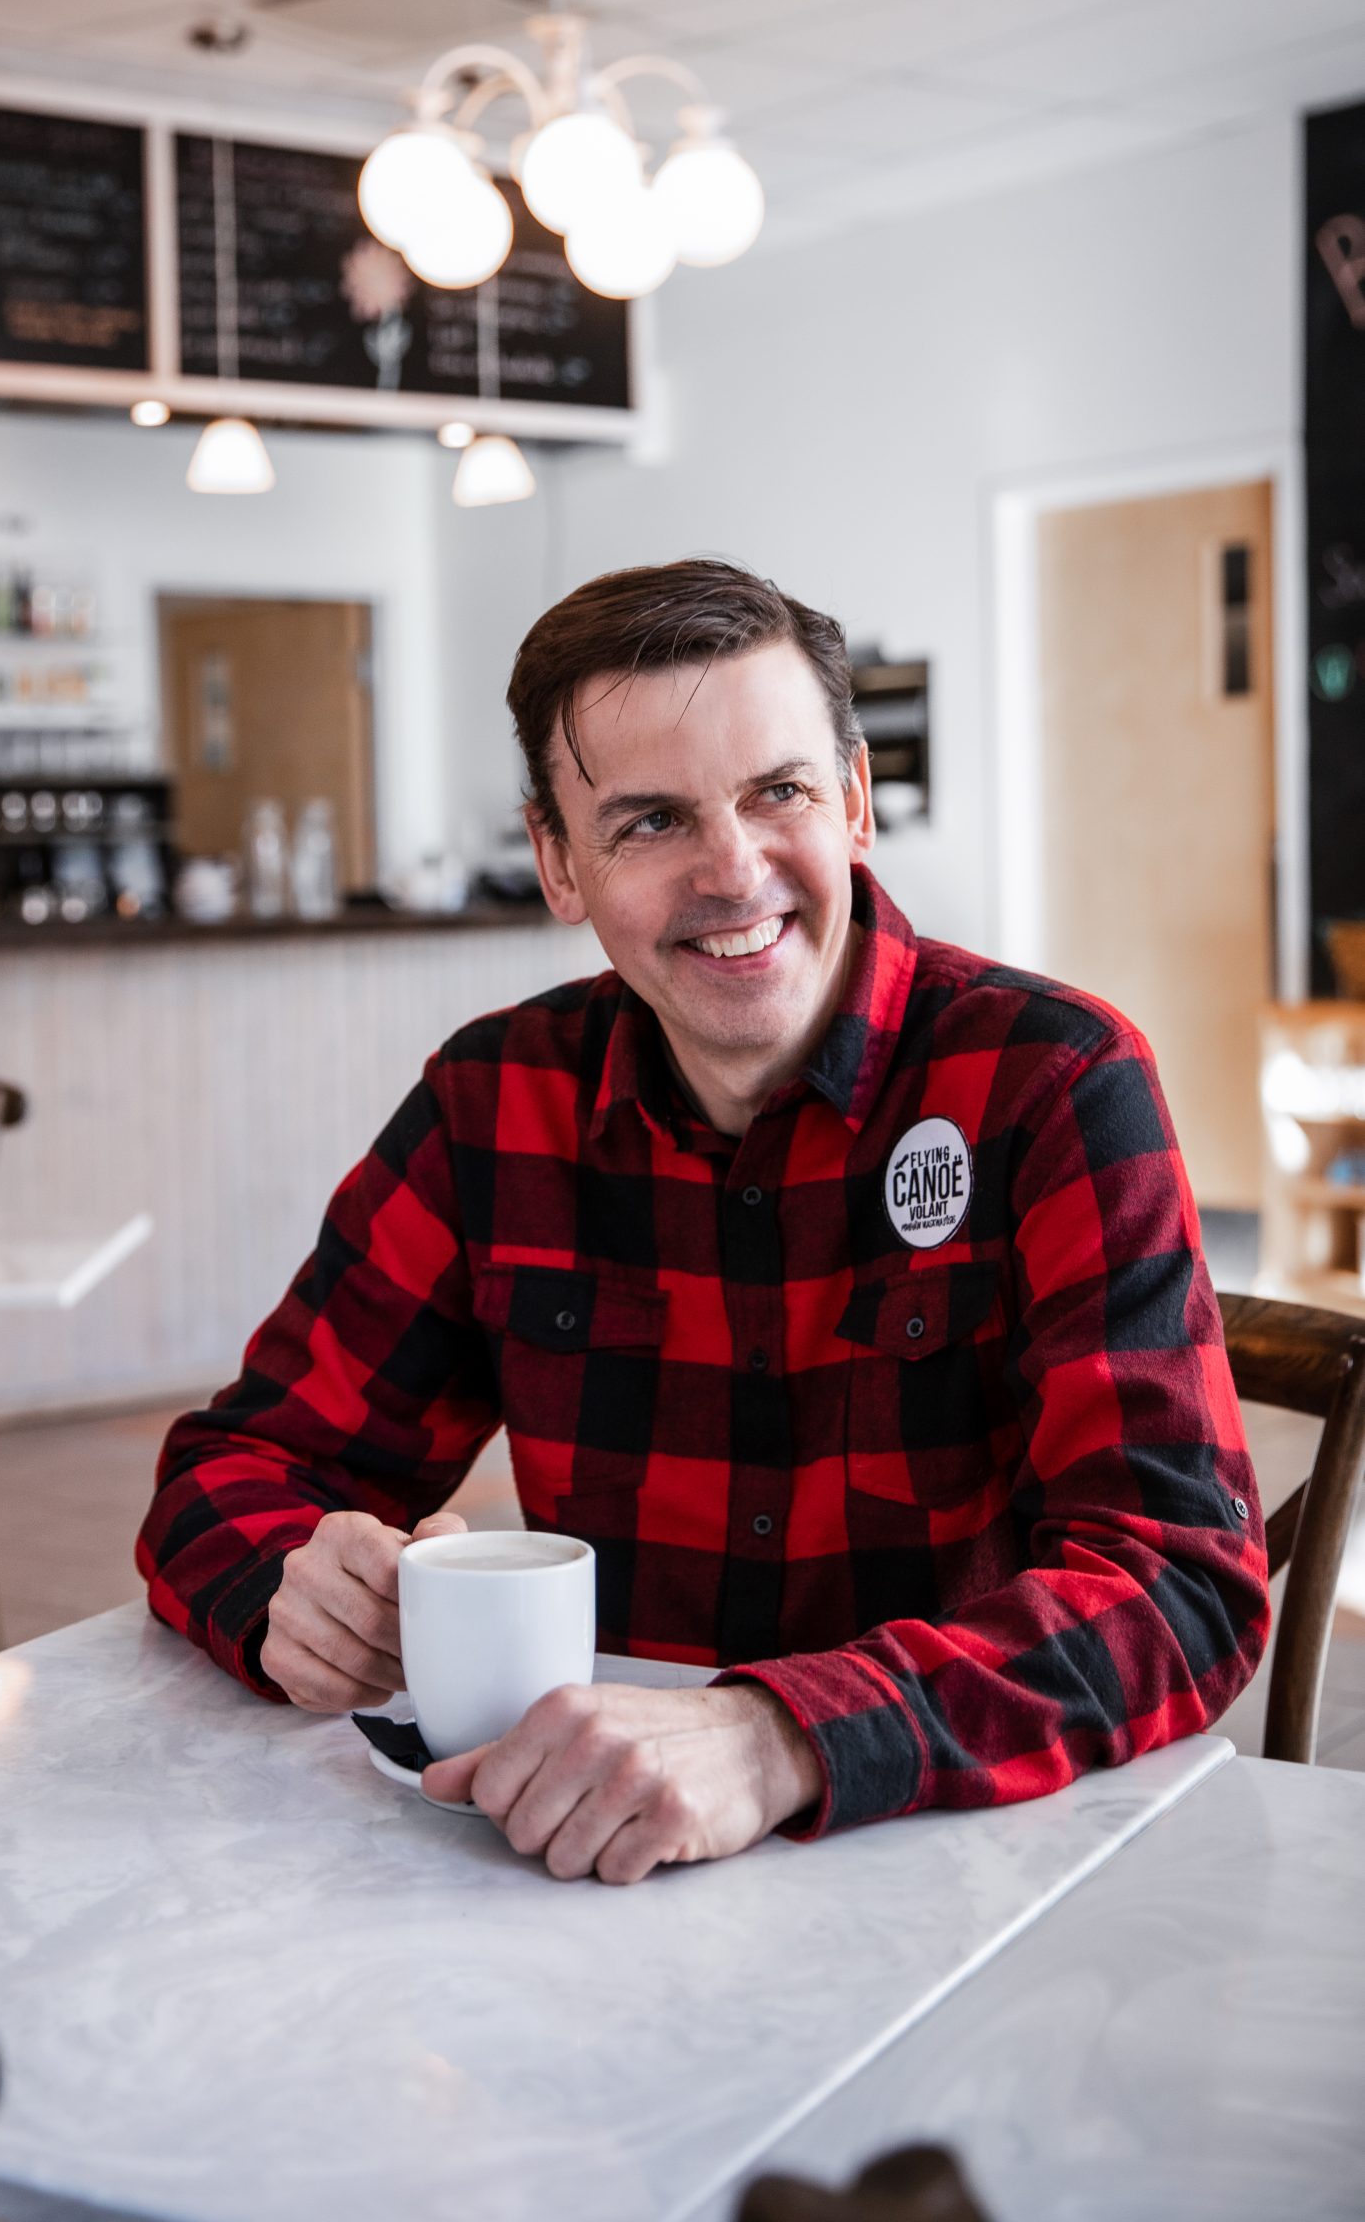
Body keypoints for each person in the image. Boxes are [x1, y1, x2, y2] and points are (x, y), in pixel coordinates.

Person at [139, 559, 1269, 1883]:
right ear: (558, 864)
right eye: (651, 823)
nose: (734, 873)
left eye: (777, 793)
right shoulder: (492, 1100)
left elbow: (1181, 1590)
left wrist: (777, 1738)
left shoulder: (1054, 1082)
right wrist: (290, 1587)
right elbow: (231, 1472)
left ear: (852, 801)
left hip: (972, 1858)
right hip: (594, 1857)